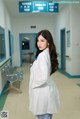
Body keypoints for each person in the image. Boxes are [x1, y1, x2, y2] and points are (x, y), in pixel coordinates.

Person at [29, 29, 60, 119]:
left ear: (48, 42)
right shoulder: (46, 53)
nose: (39, 43)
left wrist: (34, 84)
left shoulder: (42, 56)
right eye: (38, 41)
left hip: (43, 94)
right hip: (46, 92)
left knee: (44, 115)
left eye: (42, 40)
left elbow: (44, 78)